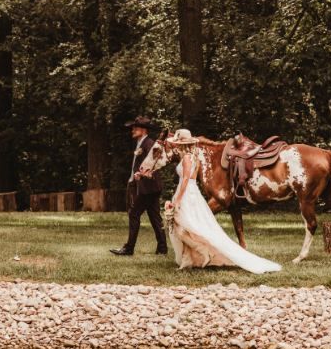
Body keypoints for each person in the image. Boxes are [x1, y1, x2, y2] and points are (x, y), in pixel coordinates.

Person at [164, 129, 280, 274]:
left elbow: (187, 179)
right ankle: (190, 259)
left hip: (187, 194)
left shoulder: (187, 158)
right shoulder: (194, 157)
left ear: (181, 144)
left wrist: (178, 199)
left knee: (183, 228)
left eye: (176, 144)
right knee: (188, 226)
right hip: (191, 193)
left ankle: (203, 251)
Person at [110, 116, 167, 256]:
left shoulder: (149, 144)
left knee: (134, 214)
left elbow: (155, 164)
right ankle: (162, 248)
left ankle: (129, 249)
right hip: (150, 187)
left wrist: (140, 175)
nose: (133, 130)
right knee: (155, 218)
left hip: (148, 187)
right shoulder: (142, 144)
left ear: (144, 130)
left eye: (135, 128)